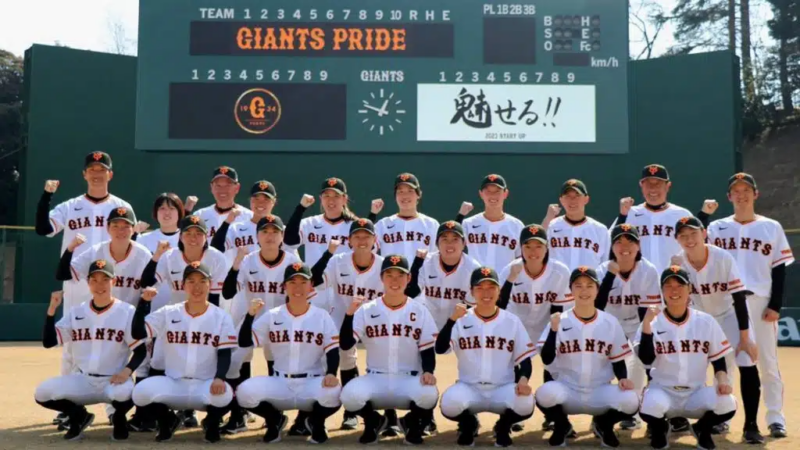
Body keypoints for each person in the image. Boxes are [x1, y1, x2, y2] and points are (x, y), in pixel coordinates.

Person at [35, 151, 133, 427]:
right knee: (71, 344)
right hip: (78, 283)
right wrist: (46, 196)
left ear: (110, 174)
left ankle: (115, 407)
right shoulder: (70, 206)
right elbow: (43, 229)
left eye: (102, 169)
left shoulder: (122, 206)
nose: (97, 172)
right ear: (84, 174)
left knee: (116, 342)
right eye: (92, 168)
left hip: (112, 283)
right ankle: (72, 405)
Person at [707, 172, 793, 438]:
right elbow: (700, 253)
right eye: (736, 190)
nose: (741, 194)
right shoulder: (716, 227)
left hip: (759, 302)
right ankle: (724, 414)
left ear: (756, 194)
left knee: (767, 362)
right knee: (726, 363)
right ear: (729, 196)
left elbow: (779, 270)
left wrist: (776, 305)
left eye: (746, 190)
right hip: (726, 303)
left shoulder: (771, 227)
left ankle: (775, 417)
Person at [671, 215, 763, 442]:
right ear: (677, 239)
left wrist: (744, 338)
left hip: (730, 315)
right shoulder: (678, 262)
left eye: (693, 233)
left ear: (704, 234)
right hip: (701, 321)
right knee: (694, 367)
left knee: (746, 361)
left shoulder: (722, 257)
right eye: (683, 236)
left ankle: (751, 425)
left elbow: (739, 298)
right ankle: (702, 419)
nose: (689, 239)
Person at [36, 261, 145, 441]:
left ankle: (119, 419)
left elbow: (140, 350)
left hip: (113, 380)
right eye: (94, 280)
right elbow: (49, 342)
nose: (99, 285)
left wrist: (127, 371)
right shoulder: (77, 311)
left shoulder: (127, 311)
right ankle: (79, 416)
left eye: (105, 279)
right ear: (88, 283)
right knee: (43, 393)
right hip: (83, 379)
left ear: (114, 281)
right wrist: (51, 310)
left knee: (124, 393)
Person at [236, 263, 342, 444]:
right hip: (280, 382)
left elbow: (332, 349)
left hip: (311, 382)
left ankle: (316, 423)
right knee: (244, 392)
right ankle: (274, 420)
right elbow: (245, 342)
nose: (298, 287)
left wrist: (331, 372)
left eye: (303, 282)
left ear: (311, 286)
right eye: (292, 282)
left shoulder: (321, 316)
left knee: (336, 393)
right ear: (284, 286)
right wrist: (250, 315)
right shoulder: (273, 315)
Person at [339, 254, 439, 445]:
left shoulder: (419, 310)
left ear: (409, 278)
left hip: (408, 379)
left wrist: (428, 371)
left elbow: (427, 348)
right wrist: (349, 315)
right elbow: (345, 344)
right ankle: (374, 421)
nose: (395, 280)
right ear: (381, 278)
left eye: (400, 275)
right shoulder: (367, 309)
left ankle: (410, 422)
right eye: (389, 275)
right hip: (375, 379)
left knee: (429, 394)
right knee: (348, 396)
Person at [634, 266, 738, 450]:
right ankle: (660, 430)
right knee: (648, 406)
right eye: (669, 286)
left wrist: (722, 379)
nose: (675, 290)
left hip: (695, 393)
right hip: (663, 390)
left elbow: (718, 358)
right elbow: (646, 359)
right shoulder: (652, 321)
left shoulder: (705, 321)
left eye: (680, 285)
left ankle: (702, 430)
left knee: (727, 403)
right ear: (662, 291)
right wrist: (647, 325)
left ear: (690, 289)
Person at [131, 263, 237, 443]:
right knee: (140, 393)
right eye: (191, 281)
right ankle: (167, 422)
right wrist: (143, 304)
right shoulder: (168, 312)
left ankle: (211, 423)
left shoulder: (221, 316)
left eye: (202, 281)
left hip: (205, 385)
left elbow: (225, 352)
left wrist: (219, 377)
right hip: (174, 383)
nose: (197, 287)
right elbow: (138, 333)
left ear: (210, 284)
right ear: (183, 285)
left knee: (226, 394)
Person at [535, 266, 640, 448]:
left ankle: (604, 424)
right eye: (578, 285)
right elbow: (547, 359)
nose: (584, 290)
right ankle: (562, 425)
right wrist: (553, 330)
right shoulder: (560, 320)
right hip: (567, 391)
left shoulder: (609, 322)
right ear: (571, 290)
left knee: (631, 401)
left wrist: (623, 378)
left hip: (600, 391)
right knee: (544, 394)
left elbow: (617, 358)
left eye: (589, 285)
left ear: (597, 290)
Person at [140, 215, 228, 428]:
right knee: (159, 363)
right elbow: (147, 282)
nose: (193, 237)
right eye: (188, 232)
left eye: (198, 233)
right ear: (180, 236)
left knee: (202, 364)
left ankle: (202, 414)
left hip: (205, 318)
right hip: (174, 318)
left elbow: (215, 296)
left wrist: (210, 323)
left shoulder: (216, 257)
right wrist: (155, 257)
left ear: (206, 237)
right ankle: (159, 415)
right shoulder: (170, 256)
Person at [436, 267, 535, 447]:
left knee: (526, 403)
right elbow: (441, 348)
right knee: (449, 403)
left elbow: (525, 360)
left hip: (503, 388)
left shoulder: (511, 321)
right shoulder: (461, 319)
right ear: (472, 292)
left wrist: (523, 379)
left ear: (499, 291)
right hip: (469, 388)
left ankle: (503, 427)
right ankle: (468, 425)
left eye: (491, 287)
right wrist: (451, 320)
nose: (486, 292)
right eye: (480, 288)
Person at [220, 214, 301, 435]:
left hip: (282, 325)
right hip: (251, 322)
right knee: (235, 361)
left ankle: (275, 415)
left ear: (282, 236)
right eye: (265, 231)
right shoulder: (248, 260)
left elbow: (304, 295)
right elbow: (227, 292)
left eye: (275, 231)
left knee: (277, 367)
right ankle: (239, 415)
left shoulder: (293, 262)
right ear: (257, 236)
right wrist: (236, 265)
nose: (270, 236)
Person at [497, 224, 572, 433]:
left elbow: (557, 310)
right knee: (513, 367)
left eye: (538, 246)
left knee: (554, 365)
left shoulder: (559, 271)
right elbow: (500, 307)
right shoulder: (510, 269)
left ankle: (554, 416)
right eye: (527, 246)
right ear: (520, 248)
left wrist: (552, 336)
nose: (533, 251)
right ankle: (513, 413)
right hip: (515, 325)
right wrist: (511, 279)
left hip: (546, 324)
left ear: (547, 248)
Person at [313, 218, 384, 430]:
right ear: (349, 240)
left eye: (367, 236)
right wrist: (327, 253)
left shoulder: (383, 266)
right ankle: (350, 412)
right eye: (357, 236)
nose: (362, 240)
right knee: (344, 356)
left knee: (387, 360)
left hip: (374, 319)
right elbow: (314, 280)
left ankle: (388, 414)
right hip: (342, 317)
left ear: (375, 240)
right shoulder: (338, 261)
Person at [594, 223, 662, 430]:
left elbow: (645, 312)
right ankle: (599, 411)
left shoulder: (648, 270)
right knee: (601, 366)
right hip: (608, 324)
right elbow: (597, 306)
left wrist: (641, 339)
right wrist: (609, 276)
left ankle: (636, 412)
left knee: (642, 359)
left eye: (630, 241)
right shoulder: (601, 270)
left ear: (638, 245)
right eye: (619, 242)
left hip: (637, 323)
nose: (625, 246)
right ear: (612, 247)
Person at [612, 164, 717, 273]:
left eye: (658, 183)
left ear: (668, 186)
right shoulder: (630, 213)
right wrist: (623, 216)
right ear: (641, 185)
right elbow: (610, 244)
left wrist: (704, 216)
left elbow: (700, 245)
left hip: (672, 281)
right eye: (648, 183)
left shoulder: (682, 214)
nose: (653, 188)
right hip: (639, 282)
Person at [405, 221, 482, 329]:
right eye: (444, 239)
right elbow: (410, 294)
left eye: (455, 239)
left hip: (458, 327)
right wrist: (416, 266)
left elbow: (471, 307)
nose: (449, 244)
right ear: (437, 244)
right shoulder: (426, 262)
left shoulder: (473, 268)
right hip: (427, 325)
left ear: (464, 244)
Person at [283, 177, 357, 267]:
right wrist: (301, 208)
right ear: (320, 198)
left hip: (344, 279)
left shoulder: (354, 226)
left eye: (336, 196)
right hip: (315, 280)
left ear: (344, 199)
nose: (331, 200)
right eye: (326, 196)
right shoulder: (310, 223)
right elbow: (289, 241)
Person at [456, 174, 524, 271]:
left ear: (506, 194)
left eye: (497, 191)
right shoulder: (468, 224)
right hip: (475, 282)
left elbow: (521, 259)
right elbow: (450, 246)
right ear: (481, 194)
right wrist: (460, 215)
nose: (493, 195)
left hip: (505, 282)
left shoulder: (517, 226)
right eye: (488, 192)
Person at [541, 179, 610, 271]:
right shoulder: (551, 225)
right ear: (561, 200)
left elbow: (605, 264)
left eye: (577, 195)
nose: (572, 200)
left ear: (586, 199)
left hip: (587, 284)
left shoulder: (600, 229)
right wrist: (547, 219)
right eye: (567, 196)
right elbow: (536, 245)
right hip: (558, 284)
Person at [368, 173, 439, 260]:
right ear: (395, 196)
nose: (405, 196)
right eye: (400, 191)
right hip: (392, 272)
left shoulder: (431, 224)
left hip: (423, 273)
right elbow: (365, 248)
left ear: (419, 194)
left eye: (410, 191)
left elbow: (438, 258)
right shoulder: (383, 224)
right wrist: (372, 215)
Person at [137, 193, 186, 312]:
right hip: (151, 304)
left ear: (179, 212)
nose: (167, 212)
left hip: (181, 305)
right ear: (156, 213)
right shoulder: (143, 239)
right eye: (162, 208)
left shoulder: (189, 238)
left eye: (172, 208)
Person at [210, 180, 278, 265]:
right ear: (250, 201)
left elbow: (294, 262)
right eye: (256, 199)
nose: (260, 203)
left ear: (274, 202)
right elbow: (215, 249)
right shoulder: (236, 229)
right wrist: (226, 222)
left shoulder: (281, 230)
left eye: (266, 199)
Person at [192, 166, 253, 239]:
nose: (222, 189)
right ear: (211, 188)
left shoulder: (249, 216)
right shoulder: (199, 216)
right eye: (218, 185)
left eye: (228, 185)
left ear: (237, 188)